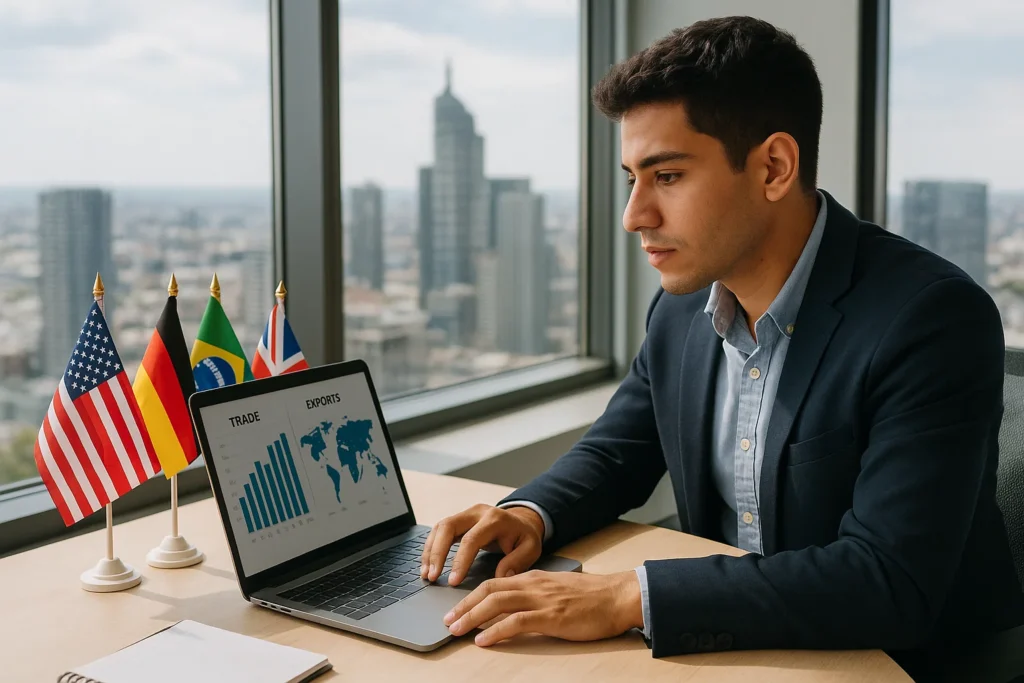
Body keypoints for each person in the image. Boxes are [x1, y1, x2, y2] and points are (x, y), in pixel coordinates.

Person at [419, 15, 1024, 677]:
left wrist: (629, 593)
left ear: (773, 167)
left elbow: (886, 580)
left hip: (899, 662)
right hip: (728, 647)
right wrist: (530, 513)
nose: (634, 215)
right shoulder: (680, 305)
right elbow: (618, 449)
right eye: (631, 178)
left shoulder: (930, 318)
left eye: (668, 176)